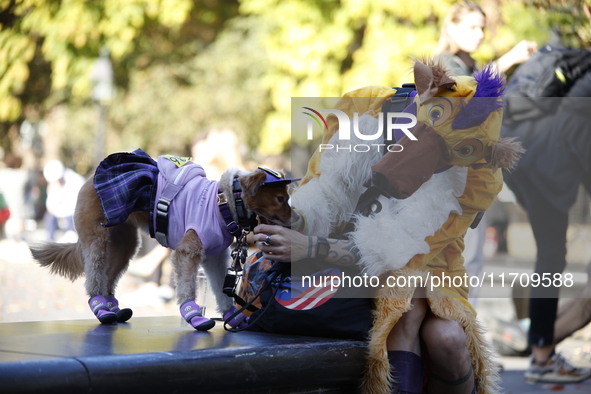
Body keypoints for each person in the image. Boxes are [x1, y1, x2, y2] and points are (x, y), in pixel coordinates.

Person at [252, 59, 518, 394]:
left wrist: (311, 247)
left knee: (443, 333)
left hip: (429, 269)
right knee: (407, 309)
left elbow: (402, 250)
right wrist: (292, 219)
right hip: (337, 269)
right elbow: (325, 191)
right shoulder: (365, 109)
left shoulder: (479, 173)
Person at [436, 0, 537, 304]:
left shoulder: (470, 64)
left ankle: (465, 337)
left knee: (471, 263)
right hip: (451, 182)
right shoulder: (445, 64)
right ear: (451, 26)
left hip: (474, 178)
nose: (479, 34)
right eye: (471, 27)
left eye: (482, 27)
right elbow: (466, 103)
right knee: (455, 263)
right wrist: (505, 62)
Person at [502, 62, 591, 383]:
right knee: (552, 255)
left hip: (519, 155)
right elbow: (577, 134)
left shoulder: (575, 67)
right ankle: (541, 358)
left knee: (550, 254)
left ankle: (541, 352)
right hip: (547, 163)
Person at [42, 160, 85, 242]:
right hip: (61, 211)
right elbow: (50, 205)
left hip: (73, 212)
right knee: (49, 217)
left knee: (71, 220)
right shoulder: (54, 183)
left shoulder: (75, 180)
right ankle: (49, 240)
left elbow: (76, 205)